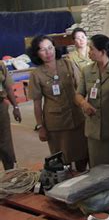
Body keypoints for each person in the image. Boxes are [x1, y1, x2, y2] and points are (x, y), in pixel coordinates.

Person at [28, 36, 88, 171]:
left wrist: (86, 105)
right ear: (36, 53)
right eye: (43, 50)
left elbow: (81, 87)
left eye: (50, 48)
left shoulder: (67, 64)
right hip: (56, 124)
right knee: (62, 159)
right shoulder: (36, 74)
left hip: (77, 117)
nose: (48, 52)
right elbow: (37, 104)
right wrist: (40, 126)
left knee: (82, 155)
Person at [75, 34, 109, 167]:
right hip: (93, 128)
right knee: (96, 167)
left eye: (91, 49)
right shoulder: (87, 71)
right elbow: (78, 94)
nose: (89, 52)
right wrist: (84, 103)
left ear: (102, 52)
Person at [0, 60, 21, 170]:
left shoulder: (0, 65)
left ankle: (11, 172)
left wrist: (15, 107)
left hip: (1, 108)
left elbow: (8, 87)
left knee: (5, 142)